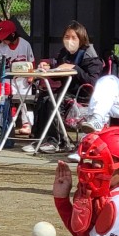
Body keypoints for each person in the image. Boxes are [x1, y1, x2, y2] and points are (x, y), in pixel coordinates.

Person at [23, 21, 104, 153]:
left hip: (82, 94)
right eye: (66, 37)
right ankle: (40, 139)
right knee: (43, 98)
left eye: (73, 37)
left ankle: (57, 141)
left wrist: (75, 68)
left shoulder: (90, 56)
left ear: (81, 38)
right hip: (65, 90)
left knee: (53, 101)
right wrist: (49, 67)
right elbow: (58, 71)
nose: (69, 41)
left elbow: (92, 82)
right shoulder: (64, 53)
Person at [0, 19, 36, 135]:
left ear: (12, 35)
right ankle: (6, 122)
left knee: (25, 100)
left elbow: (32, 61)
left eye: (5, 37)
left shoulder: (25, 44)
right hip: (7, 78)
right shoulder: (1, 48)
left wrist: (31, 76)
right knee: (4, 99)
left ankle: (27, 123)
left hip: (23, 78)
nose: (3, 40)